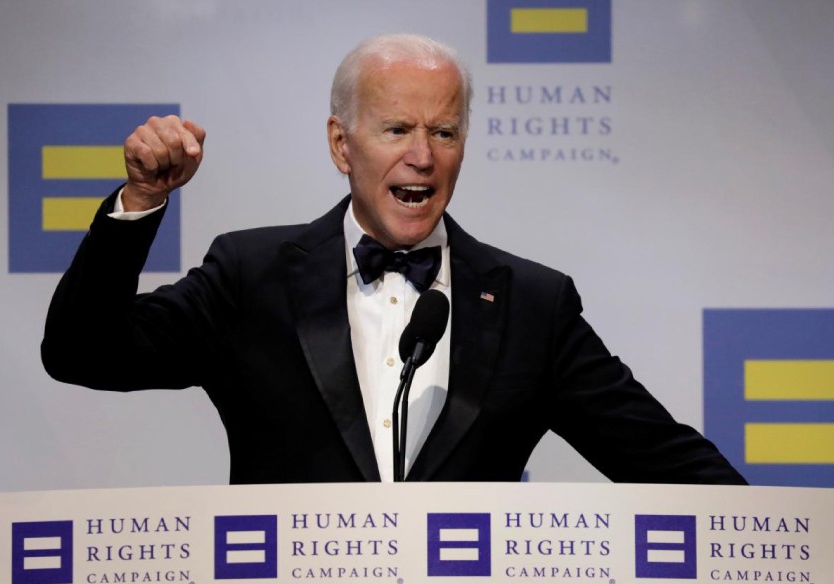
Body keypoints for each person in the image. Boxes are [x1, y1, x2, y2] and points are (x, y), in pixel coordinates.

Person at [42, 34, 746, 485]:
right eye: (397, 129)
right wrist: (140, 201)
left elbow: (667, 463)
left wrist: (794, 545)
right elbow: (82, 352)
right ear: (342, 146)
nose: (423, 154)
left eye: (444, 130)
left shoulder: (534, 304)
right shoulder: (250, 277)